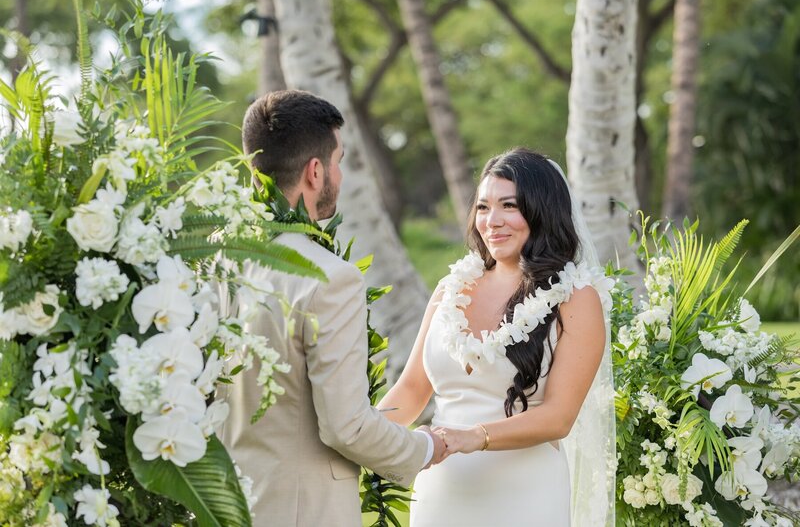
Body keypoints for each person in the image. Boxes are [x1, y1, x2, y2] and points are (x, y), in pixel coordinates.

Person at [218, 89, 446, 526]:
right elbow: (347, 427)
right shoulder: (329, 277)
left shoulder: (214, 259)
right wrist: (426, 447)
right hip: (305, 512)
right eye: (338, 161)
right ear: (315, 170)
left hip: (223, 506)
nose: (339, 177)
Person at [377, 148, 616, 526]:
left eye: (509, 206)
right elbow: (410, 391)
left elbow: (559, 417)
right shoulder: (449, 289)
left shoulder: (576, 298)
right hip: (441, 498)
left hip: (526, 499)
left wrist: (473, 436)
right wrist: (362, 432)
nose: (492, 221)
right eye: (484, 207)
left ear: (541, 210)